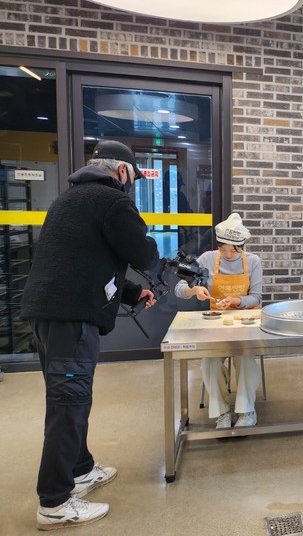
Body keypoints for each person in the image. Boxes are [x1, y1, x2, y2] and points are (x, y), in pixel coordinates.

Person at [21, 140, 159, 530]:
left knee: (71, 398)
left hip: (49, 314)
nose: (131, 185)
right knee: (69, 404)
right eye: (133, 177)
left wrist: (131, 292)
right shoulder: (112, 201)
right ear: (122, 171)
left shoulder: (68, 200)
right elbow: (143, 254)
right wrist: (150, 248)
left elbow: (84, 261)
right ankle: (54, 502)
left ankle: (80, 470)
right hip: (70, 318)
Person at [174, 213, 263, 429]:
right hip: (215, 323)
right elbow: (179, 287)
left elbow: (257, 298)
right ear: (218, 245)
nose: (229, 255)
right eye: (224, 249)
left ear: (244, 245)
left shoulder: (253, 261)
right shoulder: (207, 259)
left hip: (245, 323)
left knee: (245, 357)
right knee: (210, 360)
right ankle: (222, 411)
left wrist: (237, 300)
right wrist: (194, 290)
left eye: (235, 250)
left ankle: (246, 410)